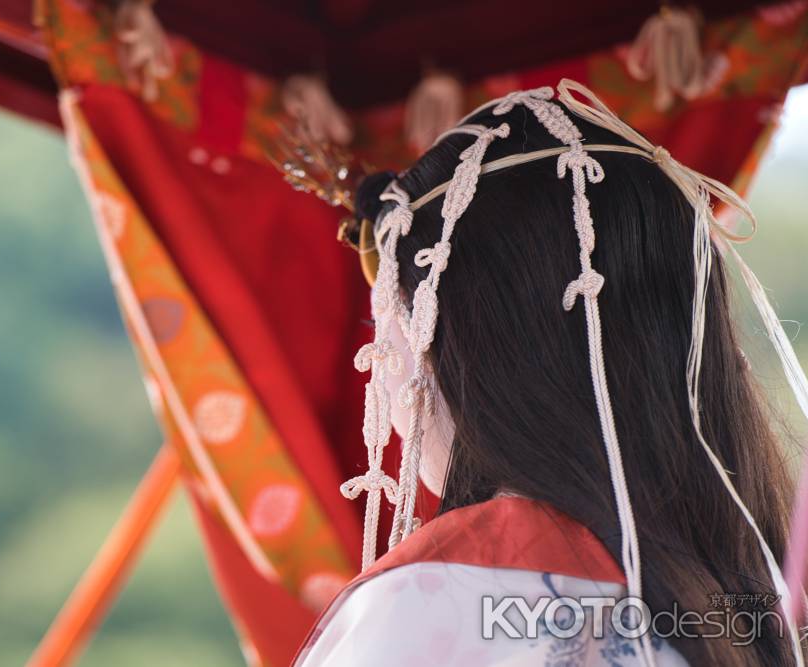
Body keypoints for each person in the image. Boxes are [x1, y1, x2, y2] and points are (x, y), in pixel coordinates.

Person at [293, 82, 804, 666]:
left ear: (459, 343)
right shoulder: (756, 592)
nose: (382, 377)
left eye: (392, 327)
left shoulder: (444, 593)